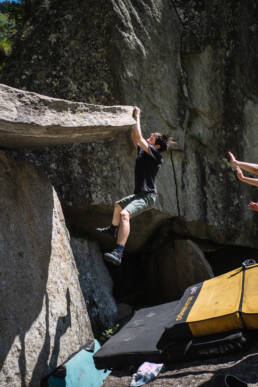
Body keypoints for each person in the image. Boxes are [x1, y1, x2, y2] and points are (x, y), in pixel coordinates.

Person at [96, 106, 175, 265]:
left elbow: (138, 138)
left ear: (156, 146)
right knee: (118, 206)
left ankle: (118, 252)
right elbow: (135, 137)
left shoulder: (156, 156)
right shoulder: (145, 152)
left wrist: (137, 115)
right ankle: (113, 229)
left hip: (147, 196)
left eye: (151, 138)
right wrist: (132, 119)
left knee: (125, 214)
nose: (148, 138)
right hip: (140, 194)